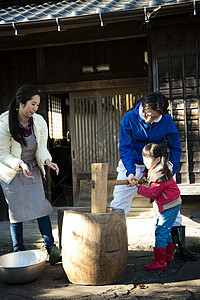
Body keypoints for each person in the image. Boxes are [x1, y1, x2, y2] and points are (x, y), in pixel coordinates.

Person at [110, 91, 198, 261]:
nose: (150, 120)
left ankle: (179, 246)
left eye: (155, 117)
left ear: (162, 114)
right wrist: (130, 172)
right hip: (132, 162)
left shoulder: (167, 121)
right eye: (148, 115)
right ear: (143, 107)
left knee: (170, 201)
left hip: (157, 164)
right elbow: (125, 147)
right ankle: (113, 244)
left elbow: (175, 146)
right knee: (119, 202)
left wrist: (168, 168)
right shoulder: (129, 118)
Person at [0, 85, 61, 265]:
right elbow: (2, 154)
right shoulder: (4, 123)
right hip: (12, 172)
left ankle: (51, 249)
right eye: (32, 104)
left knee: (41, 207)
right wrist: (19, 164)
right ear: (21, 102)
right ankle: (18, 251)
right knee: (16, 212)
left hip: (32, 168)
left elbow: (41, 148)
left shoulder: (39, 121)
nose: (34, 109)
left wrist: (47, 161)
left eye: (37, 105)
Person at [137, 143, 181, 270]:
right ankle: (167, 257)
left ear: (157, 159)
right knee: (165, 231)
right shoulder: (157, 168)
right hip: (168, 204)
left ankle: (160, 262)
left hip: (169, 205)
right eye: (143, 157)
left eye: (148, 158)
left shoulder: (159, 174)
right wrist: (142, 180)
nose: (145, 160)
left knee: (161, 232)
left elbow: (153, 193)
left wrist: (139, 188)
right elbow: (149, 176)